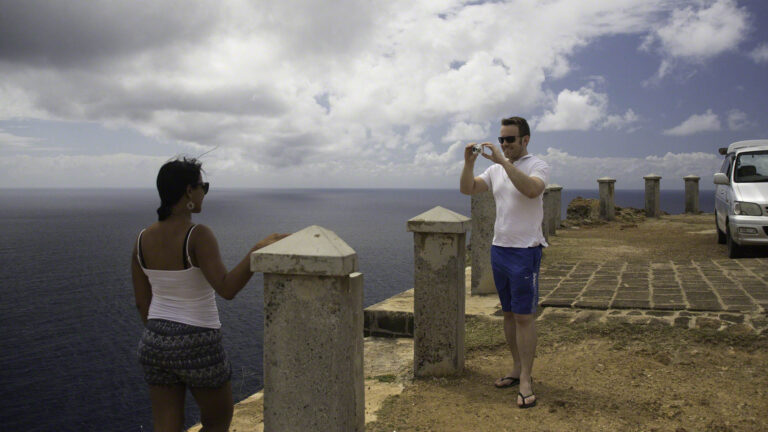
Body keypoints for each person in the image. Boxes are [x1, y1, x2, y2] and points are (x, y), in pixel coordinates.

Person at [131, 157, 289, 431]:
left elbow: (142, 303)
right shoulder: (197, 235)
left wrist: (165, 335)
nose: (204, 192)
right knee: (217, 422)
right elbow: (227, 288)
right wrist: (257, 249)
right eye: (203, 186)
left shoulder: (142, 239)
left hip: (154, 341)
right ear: (189, 191)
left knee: (166, 424)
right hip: (197, 342)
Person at [459, 116, 550, 409]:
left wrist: (502, 161)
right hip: (500, 249)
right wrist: (469, 163)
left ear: (525, 140)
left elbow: (532, 190)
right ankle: (515, 367)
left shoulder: (538, 165)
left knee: (525, 317)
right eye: (501, 139)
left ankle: (526, 377)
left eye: (510, 139)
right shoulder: (496, 169)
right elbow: (468, 189)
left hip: (525, 250)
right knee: (509, 314)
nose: (504, 145)